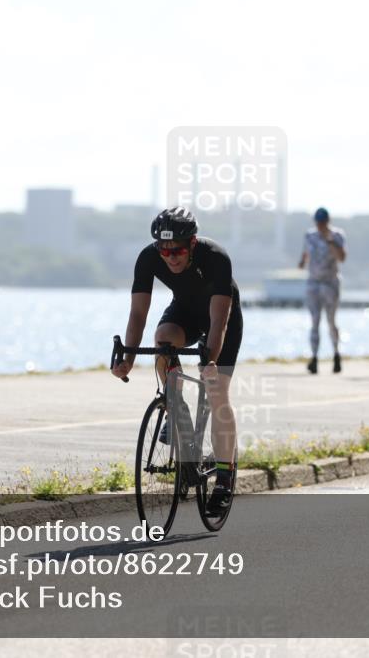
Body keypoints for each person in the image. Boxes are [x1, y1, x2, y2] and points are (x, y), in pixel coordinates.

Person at [111, 206, 242, 514]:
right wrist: (128, 358)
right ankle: (175, 405)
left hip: (219, 318)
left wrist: (210, 361)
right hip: (184, 311)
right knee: (163, 339)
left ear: (192, 244)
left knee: (217, 391)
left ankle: (224, 478)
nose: (170, 257)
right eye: (164, 249)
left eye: (178, 250)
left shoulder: (216, 258)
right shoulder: (148, 257)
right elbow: (138, 313)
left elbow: (219, 321)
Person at [298, 207, 346, 374]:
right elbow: (305, 253)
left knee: (331, 321)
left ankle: (336, 354)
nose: (320, 225)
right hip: (313, 283)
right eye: (318, 222)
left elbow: (342, 258)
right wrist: (302, 262)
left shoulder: (337, 235)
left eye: (323, 222)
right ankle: (314, 358)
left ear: (328, 221)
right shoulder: (309, 235)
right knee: (314, 321)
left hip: (330, 283)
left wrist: (330, 241)